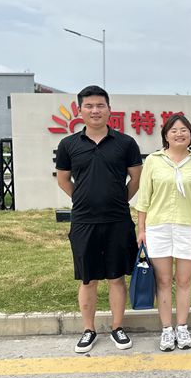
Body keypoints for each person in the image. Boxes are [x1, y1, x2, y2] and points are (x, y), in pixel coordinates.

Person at [55, 85, 143, 353]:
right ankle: (88, 330)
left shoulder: (125, 143)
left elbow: (135, 179)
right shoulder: (68, 144)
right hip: (84, 222)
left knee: (116, 277)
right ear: (80, 110)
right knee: (88, 279)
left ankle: (117, 327)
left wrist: (118, 200)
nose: (95, 110)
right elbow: (63, 180)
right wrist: (83, 198)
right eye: (89, 106)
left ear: (109, 109)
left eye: (100, 105)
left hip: (118, 220)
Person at [135, 114, 191, 351]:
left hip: (188, 228)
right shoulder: (153, 161)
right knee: (163, 280)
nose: (180, 134)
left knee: (184, 280)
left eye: (184, 130)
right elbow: (144, 198)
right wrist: (141, 229)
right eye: (174, 130)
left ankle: (182, 327)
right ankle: (167, 330)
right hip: (158, 228)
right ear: (166, 135)